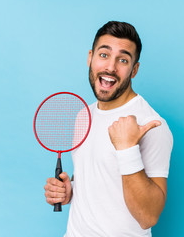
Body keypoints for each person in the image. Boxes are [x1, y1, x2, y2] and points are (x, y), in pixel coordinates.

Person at [44, 21, 173, 236]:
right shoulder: (83, 115)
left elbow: (148, 217)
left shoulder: (152, 124)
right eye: (104, 55)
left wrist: (127, 149)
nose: (110, 67)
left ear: (134, 70)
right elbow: (100, 178)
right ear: (90, 58)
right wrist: (71, 190)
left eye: (123, 60)